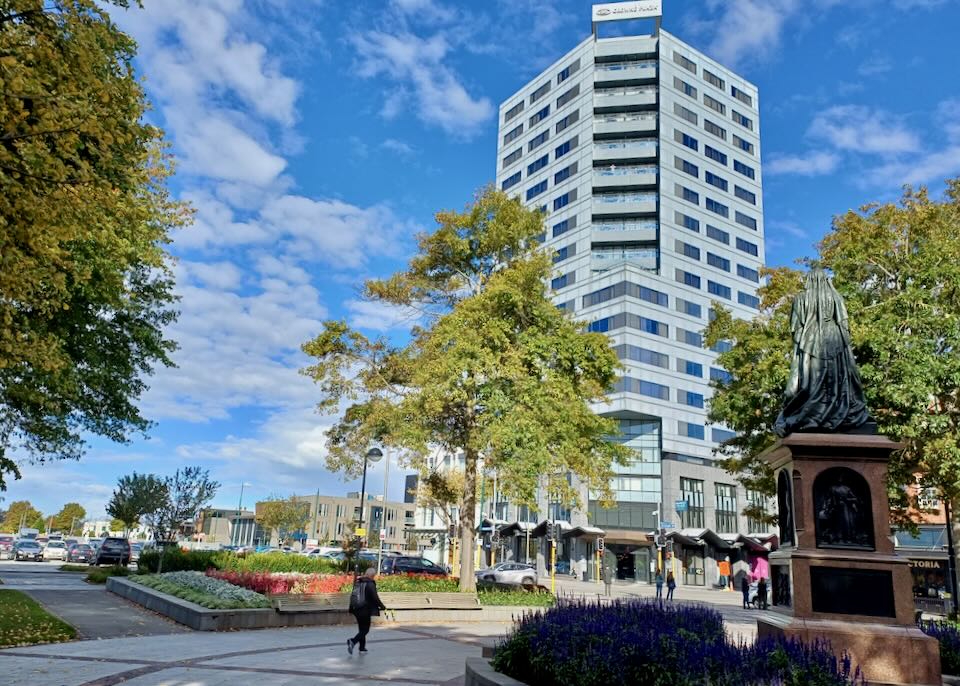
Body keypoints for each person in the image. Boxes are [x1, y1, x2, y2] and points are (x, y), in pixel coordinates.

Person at [347, 567, 386, 655]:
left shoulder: (358, 581)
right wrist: (382, 606)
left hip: (356, 609)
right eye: (374, 576)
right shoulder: (370, 583)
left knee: (361, 629)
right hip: (364, 609)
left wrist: (350, 609)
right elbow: (375, 597)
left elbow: (353, 595)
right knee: (365, 630)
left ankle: (362, 648)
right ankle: (352, 641)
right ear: (372, 575)